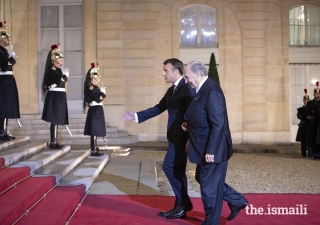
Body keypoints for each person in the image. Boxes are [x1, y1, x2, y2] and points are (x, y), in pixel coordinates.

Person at [121, 58, 194, 219]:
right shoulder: (171, 90)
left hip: (183, 139)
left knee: (169, 167)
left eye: (166, 70)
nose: (163, 74)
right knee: (178, 171)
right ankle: (181, 205)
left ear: (176, 71)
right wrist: (135, 115)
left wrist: (190, 133)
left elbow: (194, 111)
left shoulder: (187, 88)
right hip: (175, 138)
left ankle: (184, 203)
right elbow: (158, 108)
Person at [182, 60, 247, 225]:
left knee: (209, 188)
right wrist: (188, 125)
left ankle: (211, 222)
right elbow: (201, 116)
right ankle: (237, 200)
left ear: (198, 74)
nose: (186, 80)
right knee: (204, 179)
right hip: (203, 146)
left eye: (187, 76)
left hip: (212, 149)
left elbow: (219, 124)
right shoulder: (200, 89)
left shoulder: (211, 91)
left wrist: (211, 151)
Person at [41, 44, 69, 149]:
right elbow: (58, 82)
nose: (61, 59)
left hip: (59, 96)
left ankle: (55, 141)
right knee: (55, 119)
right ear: (54, 59)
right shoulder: (52, 70)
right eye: (60, 58)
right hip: (55, 96)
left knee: (57, 120)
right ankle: (53, 141)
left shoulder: (57, 70)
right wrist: (65, 77)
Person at [0, 21, 20, 141]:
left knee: (6, 107)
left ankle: (4, 131)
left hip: (7, 82)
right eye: (7, 37)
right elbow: (4, 67)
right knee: (4, 107)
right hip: (3, 83)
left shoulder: (3, 51)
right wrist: (12, 59)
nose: (9, 39)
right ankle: (2, 133)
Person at [83, 63, 106, 157]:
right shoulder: (91, 87)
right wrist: (103, 94)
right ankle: (93, 150)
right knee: (94, 131)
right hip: (95, 110)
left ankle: (95, 147)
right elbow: (98, 98)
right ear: (92, 79)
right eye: (96, 79)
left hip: (97, 109)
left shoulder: (95, 87)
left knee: (96, 131)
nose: (97, 80)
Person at [306, 82, 320, 160]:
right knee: (314, 139)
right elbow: (308, 112)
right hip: (313, 123)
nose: (318, 94)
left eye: (319, 93)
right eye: (316, 93)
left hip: (319, 122)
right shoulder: (310, 103)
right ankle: (315, 154)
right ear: (314, 94)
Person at [296, 89, 310, 157]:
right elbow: (300, 116)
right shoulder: (301, 109)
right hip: (304, 125)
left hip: (309, 125)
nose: (306, 101)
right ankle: (303, 153)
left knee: (310, 140)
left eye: (307, 100)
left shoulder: (310, 108)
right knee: (303, 141)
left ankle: (310, 153)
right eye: (305, 100)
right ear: (303, 101)